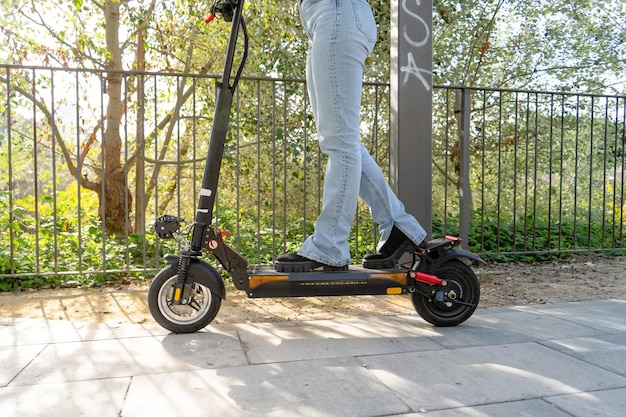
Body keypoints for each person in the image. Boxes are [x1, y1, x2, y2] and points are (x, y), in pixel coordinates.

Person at [274, 0, 426, 272]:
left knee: (340, 142)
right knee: (341, 141)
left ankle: (329, 245)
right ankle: (398, 225)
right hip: (326, 18)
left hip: (338, 12)